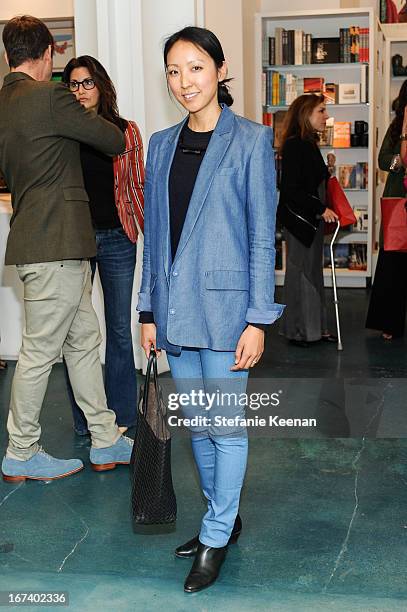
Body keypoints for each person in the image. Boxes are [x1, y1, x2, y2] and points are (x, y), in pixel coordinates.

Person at [137, 26, 284, 593]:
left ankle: (217, 533)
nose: (184, 82)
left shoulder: (249, 141)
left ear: (220, 71)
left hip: (227, 315)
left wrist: (258, 319)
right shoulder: (160, 144)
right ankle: (221, 515)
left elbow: (257, 234)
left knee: (224, 428)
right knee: (198, 424)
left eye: (195, 67)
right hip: (177, 312)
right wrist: (149, 310)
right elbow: (156, 235)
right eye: (174, 71)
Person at [0, 16, 133, 483]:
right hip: (56, 243)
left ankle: (104, 437)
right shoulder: (51, 96)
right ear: (49, 53)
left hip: (49, 242)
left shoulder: (4, 102)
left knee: (83, 343)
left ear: (9, 53)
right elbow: (114, 140)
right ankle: (20, 450)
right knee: (39, 353)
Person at [62, 56, 144, 435]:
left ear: (102, 86)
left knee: (119, 329)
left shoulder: (126, 131)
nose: (80, 91)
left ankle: (123, 415)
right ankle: (85, 419)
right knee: (76, 332)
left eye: (87, 83)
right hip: (76, 239)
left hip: (117, 238)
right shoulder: (64, 134)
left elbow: (137, 186)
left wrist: (146, 229)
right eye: (73, 84)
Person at [278, 94, 338, 348]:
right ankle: (300, 331)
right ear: (306, 114)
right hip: (301, 221)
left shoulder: (309, 143)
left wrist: (329, 168)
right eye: (321, 111)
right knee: (301, 274)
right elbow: (291, 189)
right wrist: (320, 208)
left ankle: (315, 329)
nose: (326, 117)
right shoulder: (294, 145)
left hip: (310, 220)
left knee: (312, 274)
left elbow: (310, 179)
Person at [366, 80, 407, 340]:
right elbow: (383, 161)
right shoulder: (395, 128)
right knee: (393, 262)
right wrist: (403, 136)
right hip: (398, 203)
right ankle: (390, 323)